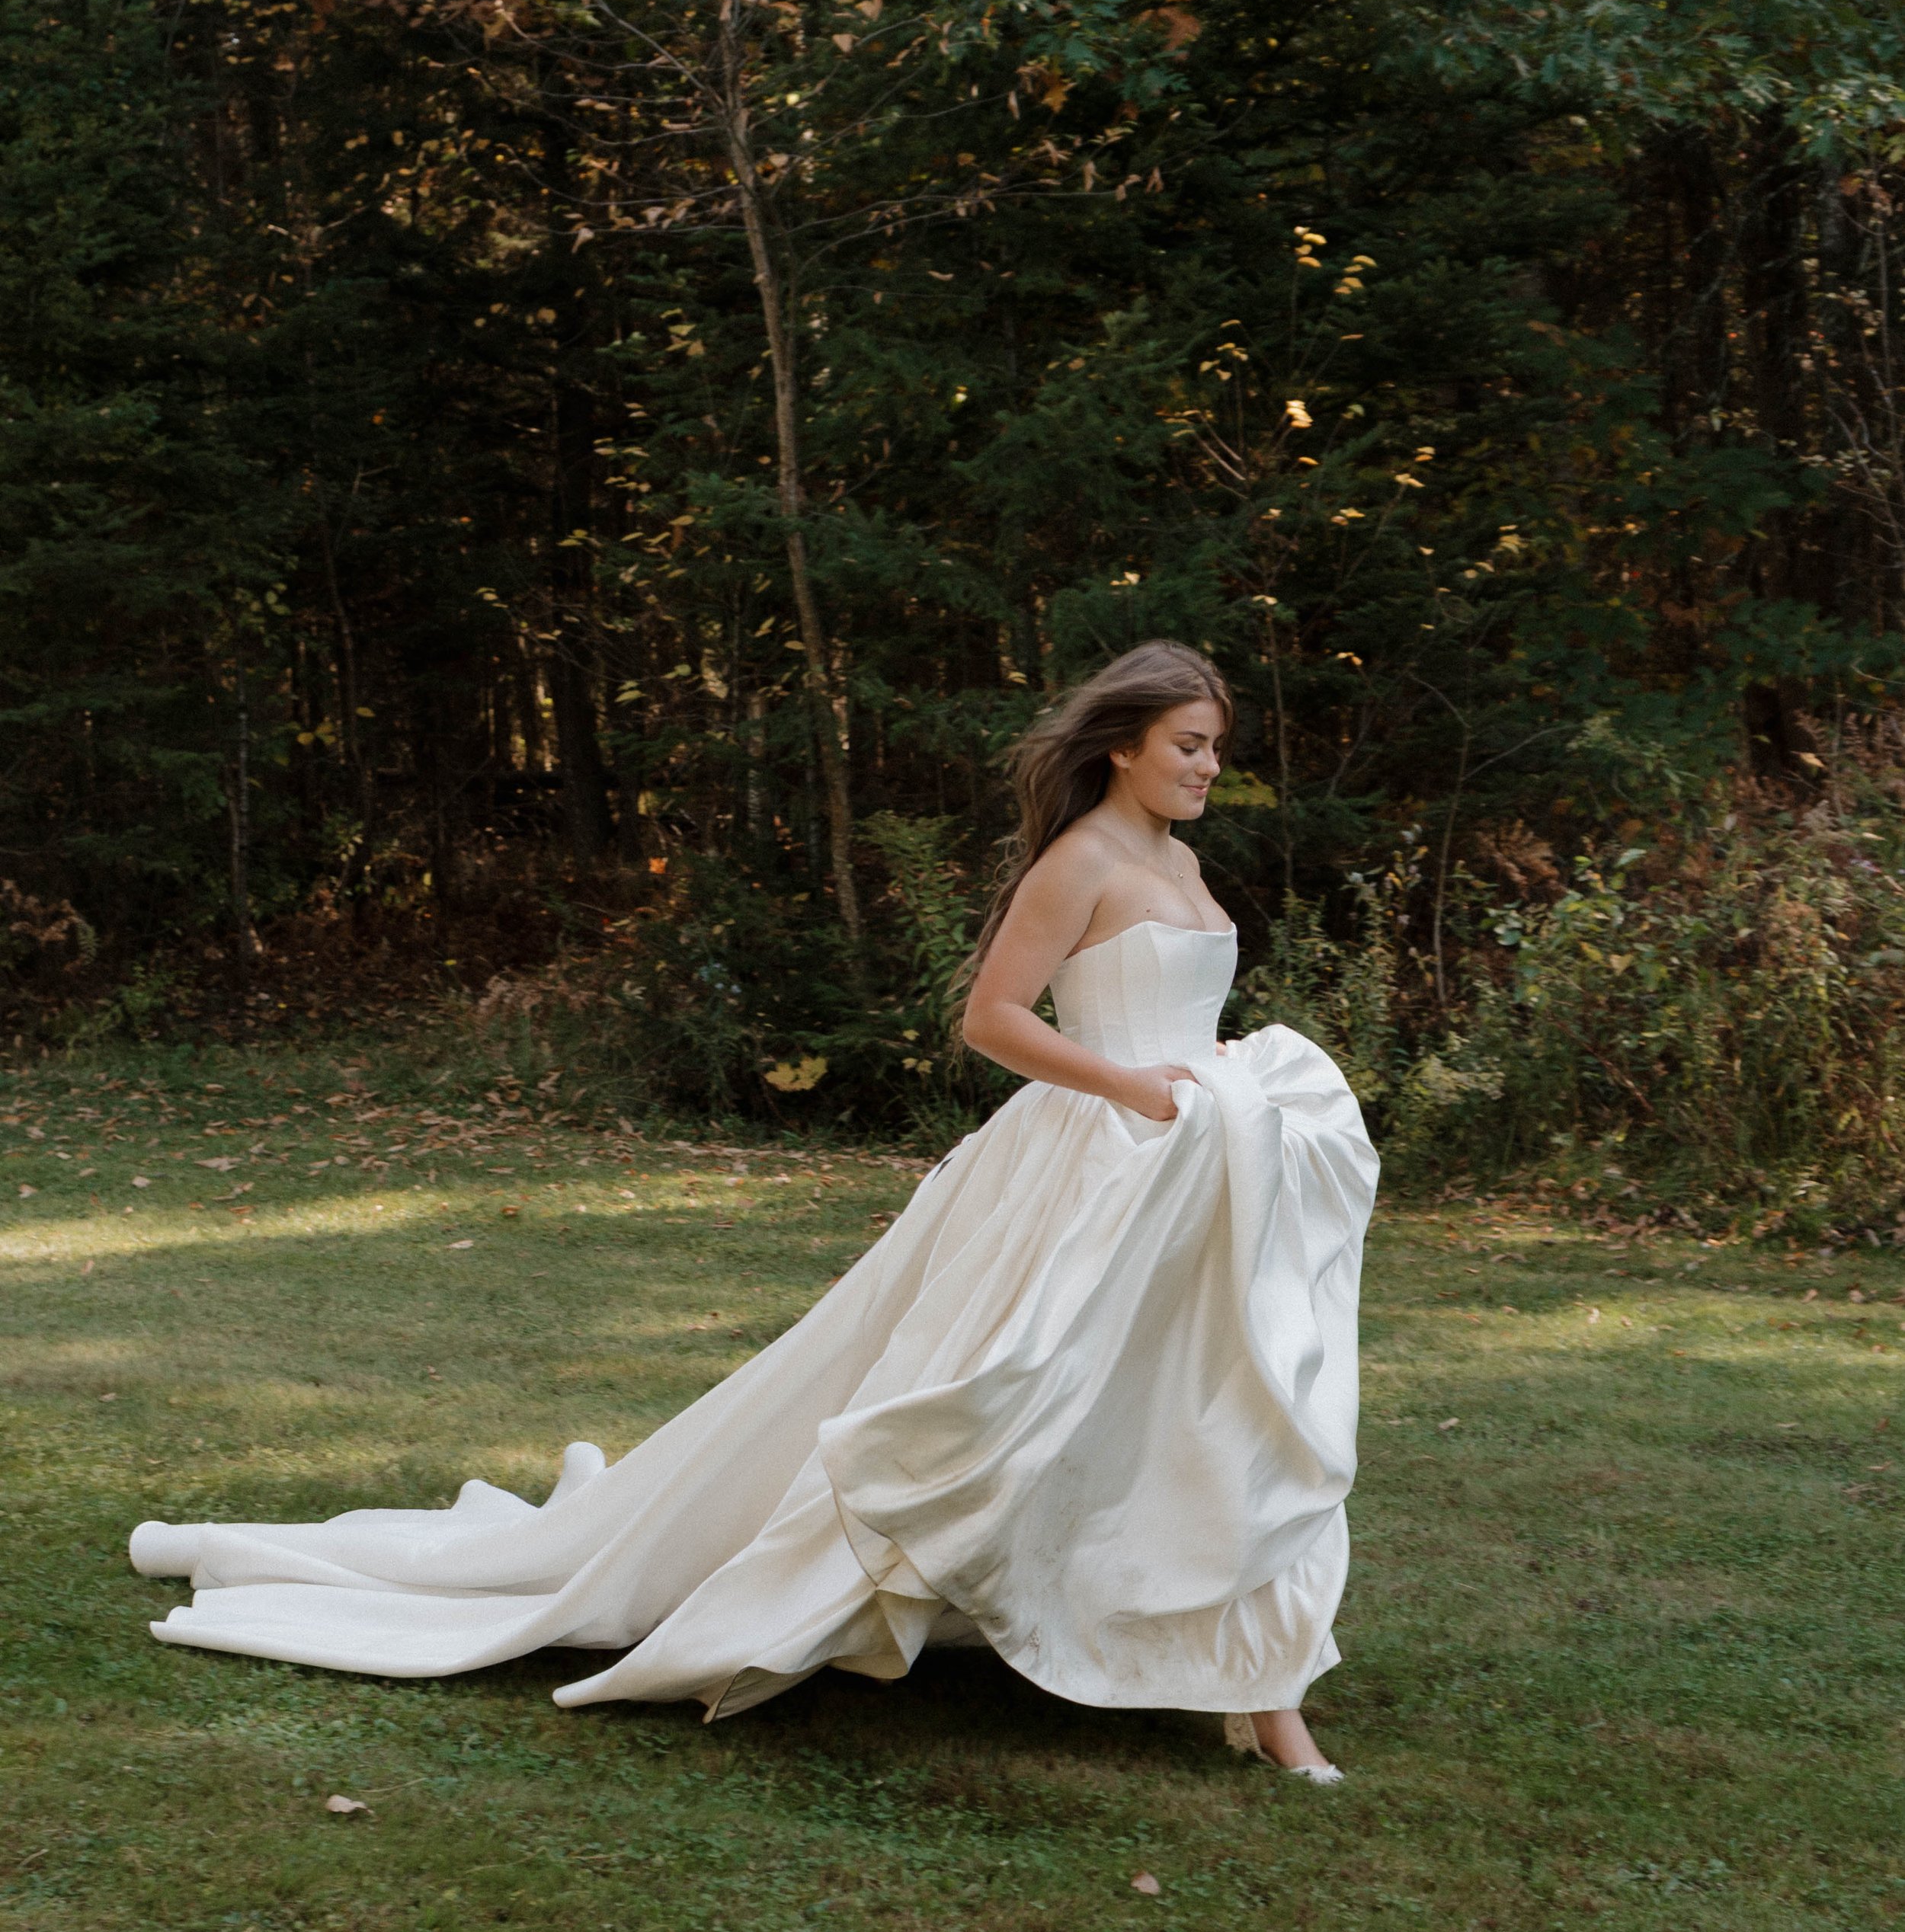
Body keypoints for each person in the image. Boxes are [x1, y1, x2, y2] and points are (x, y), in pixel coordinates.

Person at [130, 641, 1377, 1783]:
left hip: (1191, 1165)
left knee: (1207, 1409)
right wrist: (1129, 1087)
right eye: (1189, 745)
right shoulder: (1084, 861)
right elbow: (991, 1020)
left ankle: (1235, 1668)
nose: (1210, 767)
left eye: (1216, 747)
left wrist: (1214, 1094)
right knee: (1017, 1393)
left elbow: (1186, 1021)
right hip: (1096, 1154)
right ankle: (1220, 1680)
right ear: (1122, 745)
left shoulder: (1184, 861)